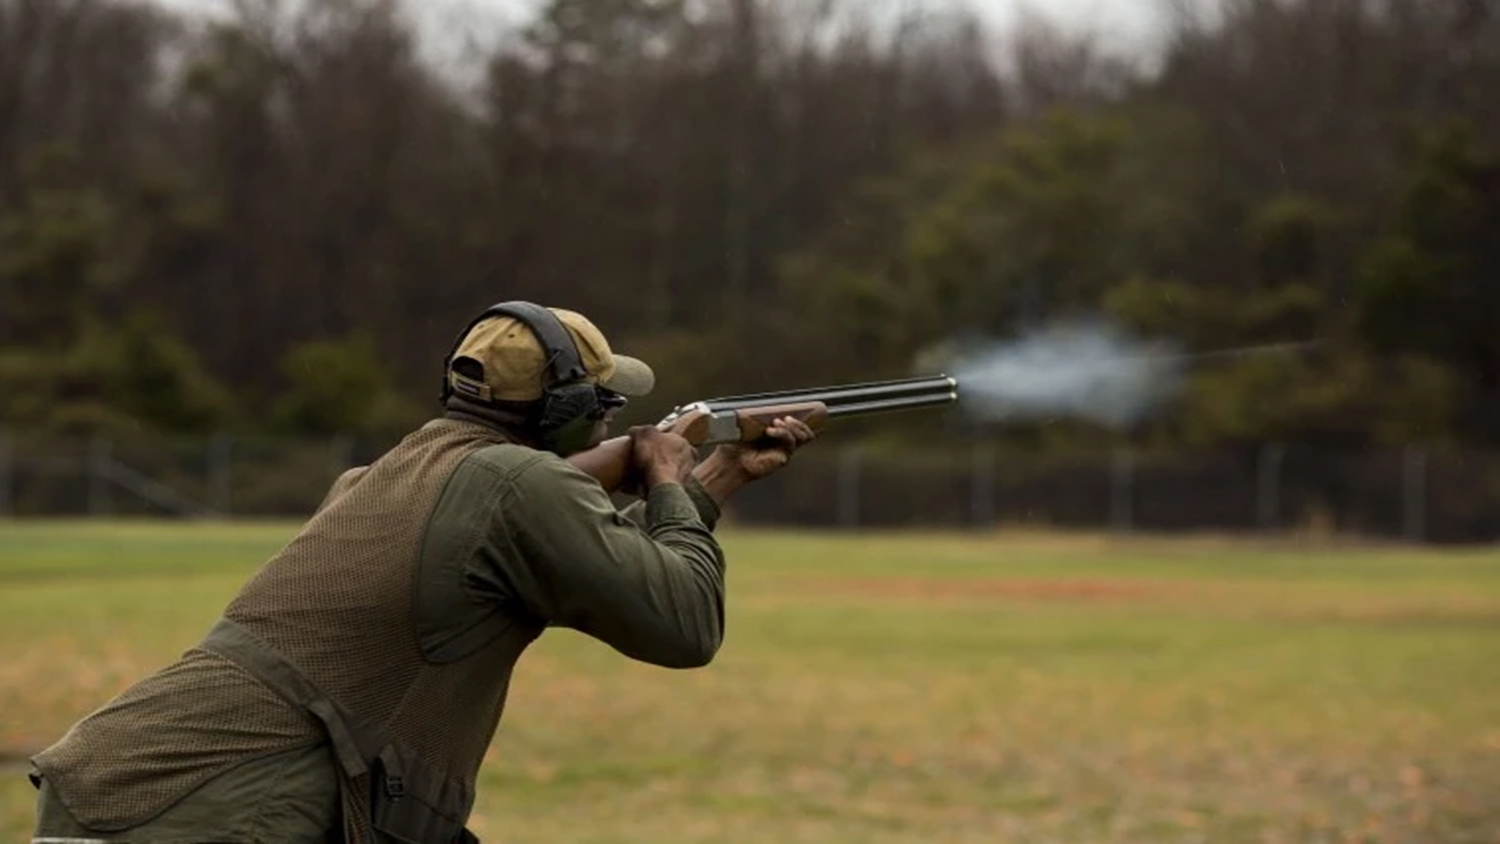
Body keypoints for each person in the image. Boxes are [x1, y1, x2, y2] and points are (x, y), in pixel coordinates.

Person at [28, 301, 818, 844]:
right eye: (602, 400)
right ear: (564, 409)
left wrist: (719, 478)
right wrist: (670, 479)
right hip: (213, 812)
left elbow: (602, 562)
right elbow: (684, 623)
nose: (613, 415)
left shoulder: (387, 472)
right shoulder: (519, 483)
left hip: (130, 785)